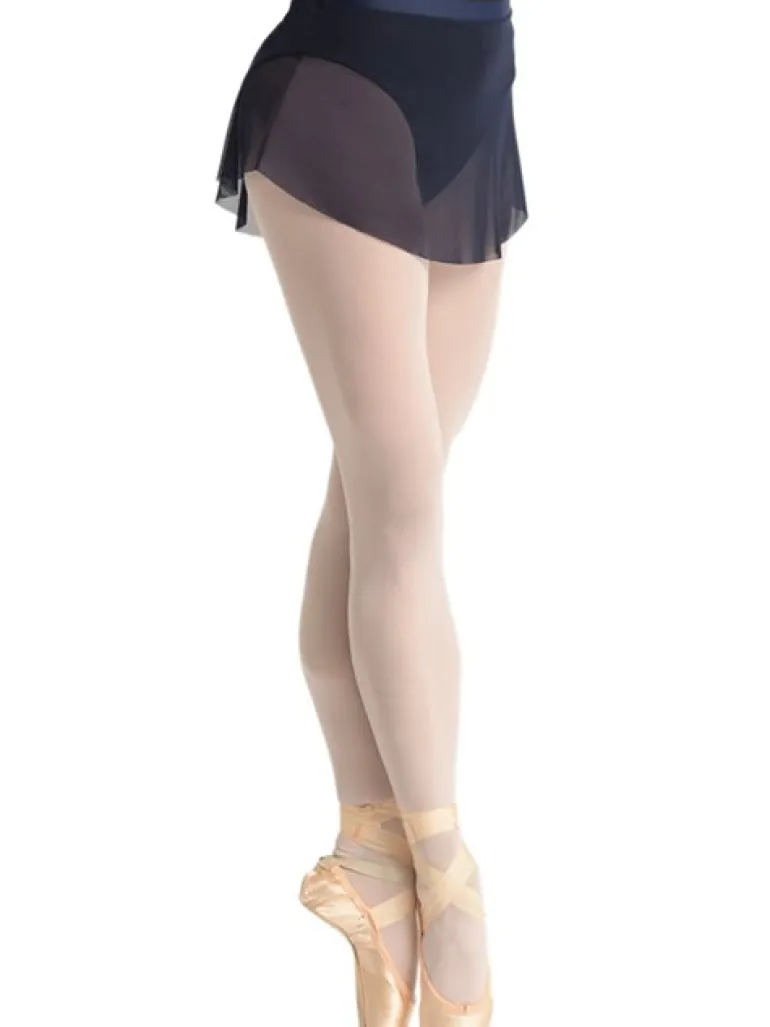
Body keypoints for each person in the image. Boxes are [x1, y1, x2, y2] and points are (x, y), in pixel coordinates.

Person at [215, 1, 528, 1023]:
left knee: (378, 502)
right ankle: (449, 882)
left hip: (475, 102)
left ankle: (371, 861)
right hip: (346, 82)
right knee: (399, 503)